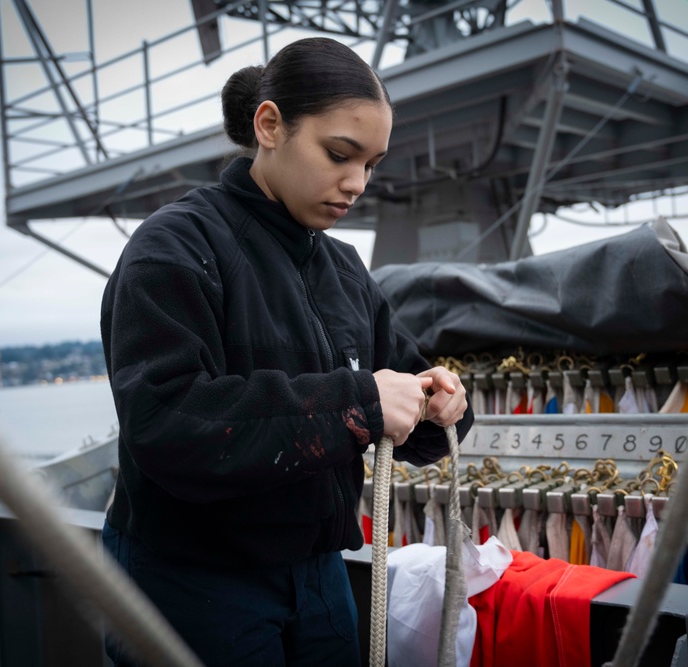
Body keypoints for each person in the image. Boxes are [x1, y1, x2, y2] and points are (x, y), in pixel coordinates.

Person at [99, 36, 473, 666]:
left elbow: (400, 395)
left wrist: (442, 404)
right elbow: (167, 423)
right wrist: (359, 403)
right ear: (269, 125)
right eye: (338, 154)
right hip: (191, 582)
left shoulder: (346, 270)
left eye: (371, 164)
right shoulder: (173, 248)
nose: (356, 183)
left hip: (320, 575)